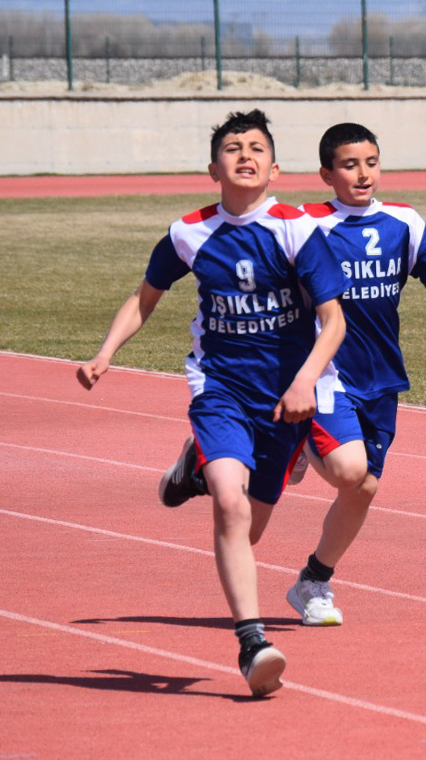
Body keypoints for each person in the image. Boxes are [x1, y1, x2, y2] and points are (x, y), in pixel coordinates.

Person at [77, 109, 348, 696]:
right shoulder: (188, 233)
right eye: (232, 147)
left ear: (275, 169)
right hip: (219, 388)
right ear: (213, 168)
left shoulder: (299, 229)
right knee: (229, 506)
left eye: (256, 147)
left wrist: (304, 382)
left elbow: (333, 323)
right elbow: (144, 298)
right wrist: (105, 353)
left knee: (247, 530)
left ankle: (190, 464)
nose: (244, 155)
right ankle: (253, 643)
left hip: (284, 403)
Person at [159, 122, 426, 628]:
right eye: (349, 164)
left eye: (370, 162)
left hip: (380, 379)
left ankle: (313, 580)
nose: (362, 173)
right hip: (322, 375)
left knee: (362, 488)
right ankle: (285, 443)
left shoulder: (403, 222)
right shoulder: (306, 224)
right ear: (327, 174)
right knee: (348, 470)